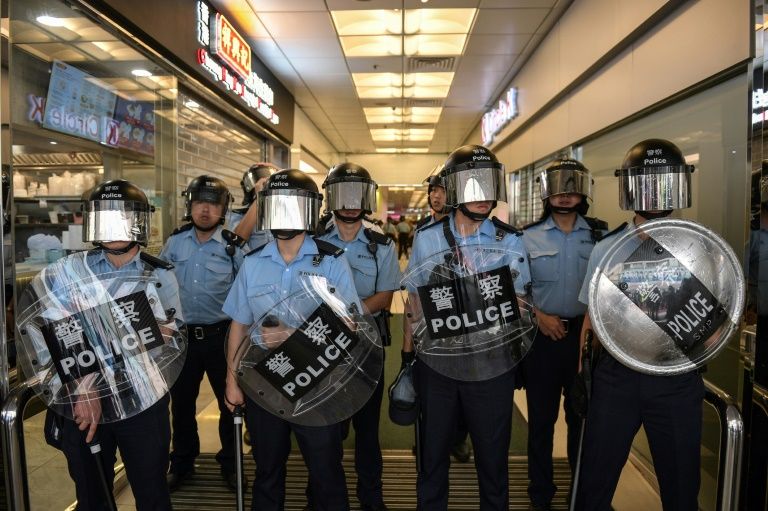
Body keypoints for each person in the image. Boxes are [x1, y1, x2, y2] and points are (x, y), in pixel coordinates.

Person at [25, 179, 182, 511]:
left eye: (123, 217)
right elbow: (53, 331)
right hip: (81, 400)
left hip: (143, 397)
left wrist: (91, 329)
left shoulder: (158, 274)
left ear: (139, 222)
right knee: (91, 493)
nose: (114, 228)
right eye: (105, 218)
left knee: (152, 490)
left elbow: (166, 338)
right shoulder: (67, 271)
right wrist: (85, 387)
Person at [401, 144, 532, 510]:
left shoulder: (510, 240)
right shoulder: (428, 237)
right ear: (455, 188)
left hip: (491, 364)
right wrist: (408, 357)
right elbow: (414, 302)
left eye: (488, 184)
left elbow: (522, 304)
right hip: (438, 364)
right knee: (433, 454)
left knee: (492, 458)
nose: (482, 195)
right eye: (473, 184)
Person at [574, 139, 703, 511]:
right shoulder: (607, 248)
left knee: (681, 488)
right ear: (630, 189)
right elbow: (592, 319)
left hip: (676, 376)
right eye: (646, 183)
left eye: (665, 182)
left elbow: (715, 318)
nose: (656, 194)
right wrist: (582, 374)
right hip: (618, 376)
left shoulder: (699, 246)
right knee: (595, 482)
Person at [223, 169, 360, 511]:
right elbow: (239, 325)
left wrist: (293, 336)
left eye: (293, 205)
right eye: (277, 205)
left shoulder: (332, 261)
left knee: (326, 469)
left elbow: (350, 325)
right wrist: (232, 380)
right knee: (267, 468)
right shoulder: (253, 263)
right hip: (265, 379)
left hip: (319, 378)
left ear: (309, 210)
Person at [521, 159, 606, 511]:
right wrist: (538, 316)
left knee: (581, 419)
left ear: (583, 192)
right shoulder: (527, 237)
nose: (566, 195)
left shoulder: (600, 236)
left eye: (573, 187)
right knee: (541, 422)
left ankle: (579, 492)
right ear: (546, 192)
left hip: (584, 341)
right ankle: (540, 493)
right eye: (558, 187)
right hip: (542, 340)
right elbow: (516, 291)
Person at [317, 162, 400, 511]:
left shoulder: (381, 244)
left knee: (367, 428)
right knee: (326, 428)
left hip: (366, 344)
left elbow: (385, 296)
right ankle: (323, 495)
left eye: (358, 195)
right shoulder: (313, 240)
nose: (351, 204)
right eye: (343, 194)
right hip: (322, 344)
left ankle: (371, 495)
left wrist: (349, 315)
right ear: (331, 197)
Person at [161, 175, 246, 491]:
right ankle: (182, 464)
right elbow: (159, 285)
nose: (205, 210)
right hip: (183, 338)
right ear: (190, 205)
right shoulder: (175, 243)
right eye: (199, 202)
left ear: (223, 209)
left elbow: (246, 292)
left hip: (222, 338)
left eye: (212, 204)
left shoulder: (233, 246)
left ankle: (232, 465)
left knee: (230, 404)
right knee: (181, 406)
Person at [414, 165, 471, 464]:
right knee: (432, 392)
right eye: (433, 191)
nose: (436, 196)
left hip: (470, 320)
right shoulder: (423, 231)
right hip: (434, 321)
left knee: (465, 391)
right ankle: (430, 440)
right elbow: (415, 285)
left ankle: (458, 438)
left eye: (442, 190)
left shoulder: (469, 227)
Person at [229, 162, 278, 248]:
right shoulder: (239, 215)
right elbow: (236, 240)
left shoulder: (285, 211)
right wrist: (260, 198)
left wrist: (283, 173)